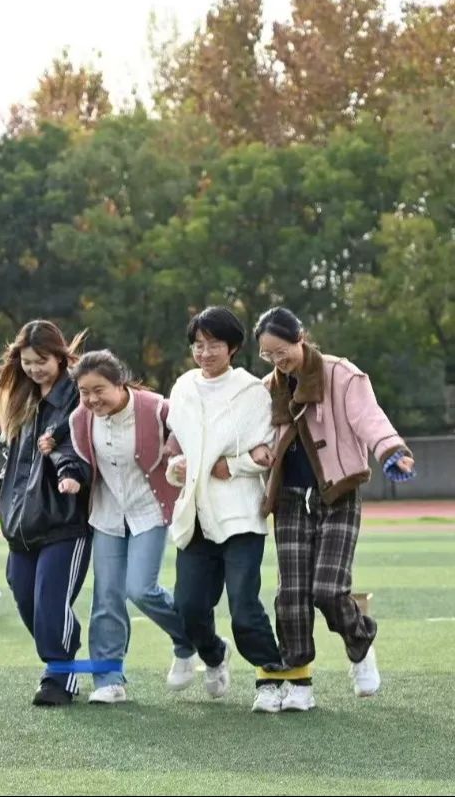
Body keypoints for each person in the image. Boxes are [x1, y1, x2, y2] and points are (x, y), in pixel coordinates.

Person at [255, 306, 416, 711]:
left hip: (337, 493)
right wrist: (256, 451)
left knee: (328, 590)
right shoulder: (268, 388)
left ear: (300, 338)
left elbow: (370, 418)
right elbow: (255, 434)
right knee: (290, 595)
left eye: (281, 351)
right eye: (268, 355)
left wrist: (391, 451)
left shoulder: (341, 374)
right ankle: (298, 682)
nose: (277, 360)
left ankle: (360, 643)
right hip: (289, 498)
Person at [165, 306, 305, 714]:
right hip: (196, 514)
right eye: (198, 344)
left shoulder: (251, 391)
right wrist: (180, 468)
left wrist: (232, 464)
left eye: (214, 344)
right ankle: (214, 653)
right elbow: (181, 450)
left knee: (244, 606)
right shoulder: (183, 388)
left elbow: (265, 453)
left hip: (240, 516)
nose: (205, 353)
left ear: (233, 348)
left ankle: (271, 677)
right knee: (189, 607)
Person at [61, 349, 195, 704]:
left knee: (140, 588)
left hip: (149, 508)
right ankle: (109, 679)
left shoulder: (155, 408)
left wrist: (175, 450)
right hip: (107, 513)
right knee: (106, 596)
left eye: (99, 390)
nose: (92, 399)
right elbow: (72, 451)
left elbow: (189, 426)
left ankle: (194, 638)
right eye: (84, 392)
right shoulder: (80, 419)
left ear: (120, 383)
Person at [0, 320, 91, 707]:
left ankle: (59, 675)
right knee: (25, 597)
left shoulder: (78, 395)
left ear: (60, 357)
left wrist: (71, 474)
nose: (34, 369)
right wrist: (5, 482)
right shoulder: (21, 397)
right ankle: (62, 646)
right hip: (21, 522)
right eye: (28, 362)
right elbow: (14, 453)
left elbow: (80, 447)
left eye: (42, 361)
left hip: (65, 518)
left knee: (50, 601)